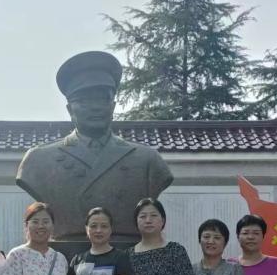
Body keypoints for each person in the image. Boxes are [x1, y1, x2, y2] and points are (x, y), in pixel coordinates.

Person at [15, 50, 173, 242]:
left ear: (113, 105)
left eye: (103, 98)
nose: (96, 107)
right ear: (69, 109)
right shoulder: (39, 160)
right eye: (84, 100)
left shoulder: (147, 160)